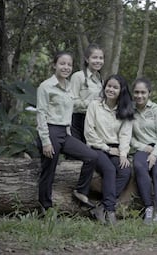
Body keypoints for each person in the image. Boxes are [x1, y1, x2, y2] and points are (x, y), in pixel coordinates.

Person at [36, 51, 98, 212]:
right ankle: (45, 207)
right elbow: (41, 114)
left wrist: (68, 132)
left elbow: (67, 112)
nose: (66, 67)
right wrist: (45, 141)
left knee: (91, 156)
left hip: (65, 133)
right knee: (49, 169)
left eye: (69, 64)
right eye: (62, 63)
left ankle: (80, 191)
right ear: (54, 65)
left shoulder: (70, 86)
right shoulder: (46, 86)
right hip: (50, 131)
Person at [84, 74, 134, 224]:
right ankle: (110, 212)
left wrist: (124, 154)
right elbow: (89, 132)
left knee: (125, 171)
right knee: (109, 170)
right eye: (109, 86)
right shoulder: (95, 105)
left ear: (121, 90)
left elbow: (125, 135)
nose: (110, 89)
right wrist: (106, 148)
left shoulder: (125, 109)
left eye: (115, 87)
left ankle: (101, 207)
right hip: (96, 147)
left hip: (116, 148)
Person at [131, 78, 157, 224]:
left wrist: (155, 153)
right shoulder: (130, 111)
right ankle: (149, 208)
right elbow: (128, 137)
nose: (139, 96)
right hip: (142, 147)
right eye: (136, 92)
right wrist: (143, 147)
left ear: (149, 93)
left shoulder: (156, 109)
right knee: (138, 166)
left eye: (143, 92)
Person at [70, 44, 104, 143]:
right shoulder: (78, 76)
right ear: (87, 59)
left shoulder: (100, 79)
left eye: (101, 58)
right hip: (78, 120)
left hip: (94, 122)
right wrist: (91, 103)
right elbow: (72, 101)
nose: (98, 61)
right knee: (77, 155)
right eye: (94, 57)